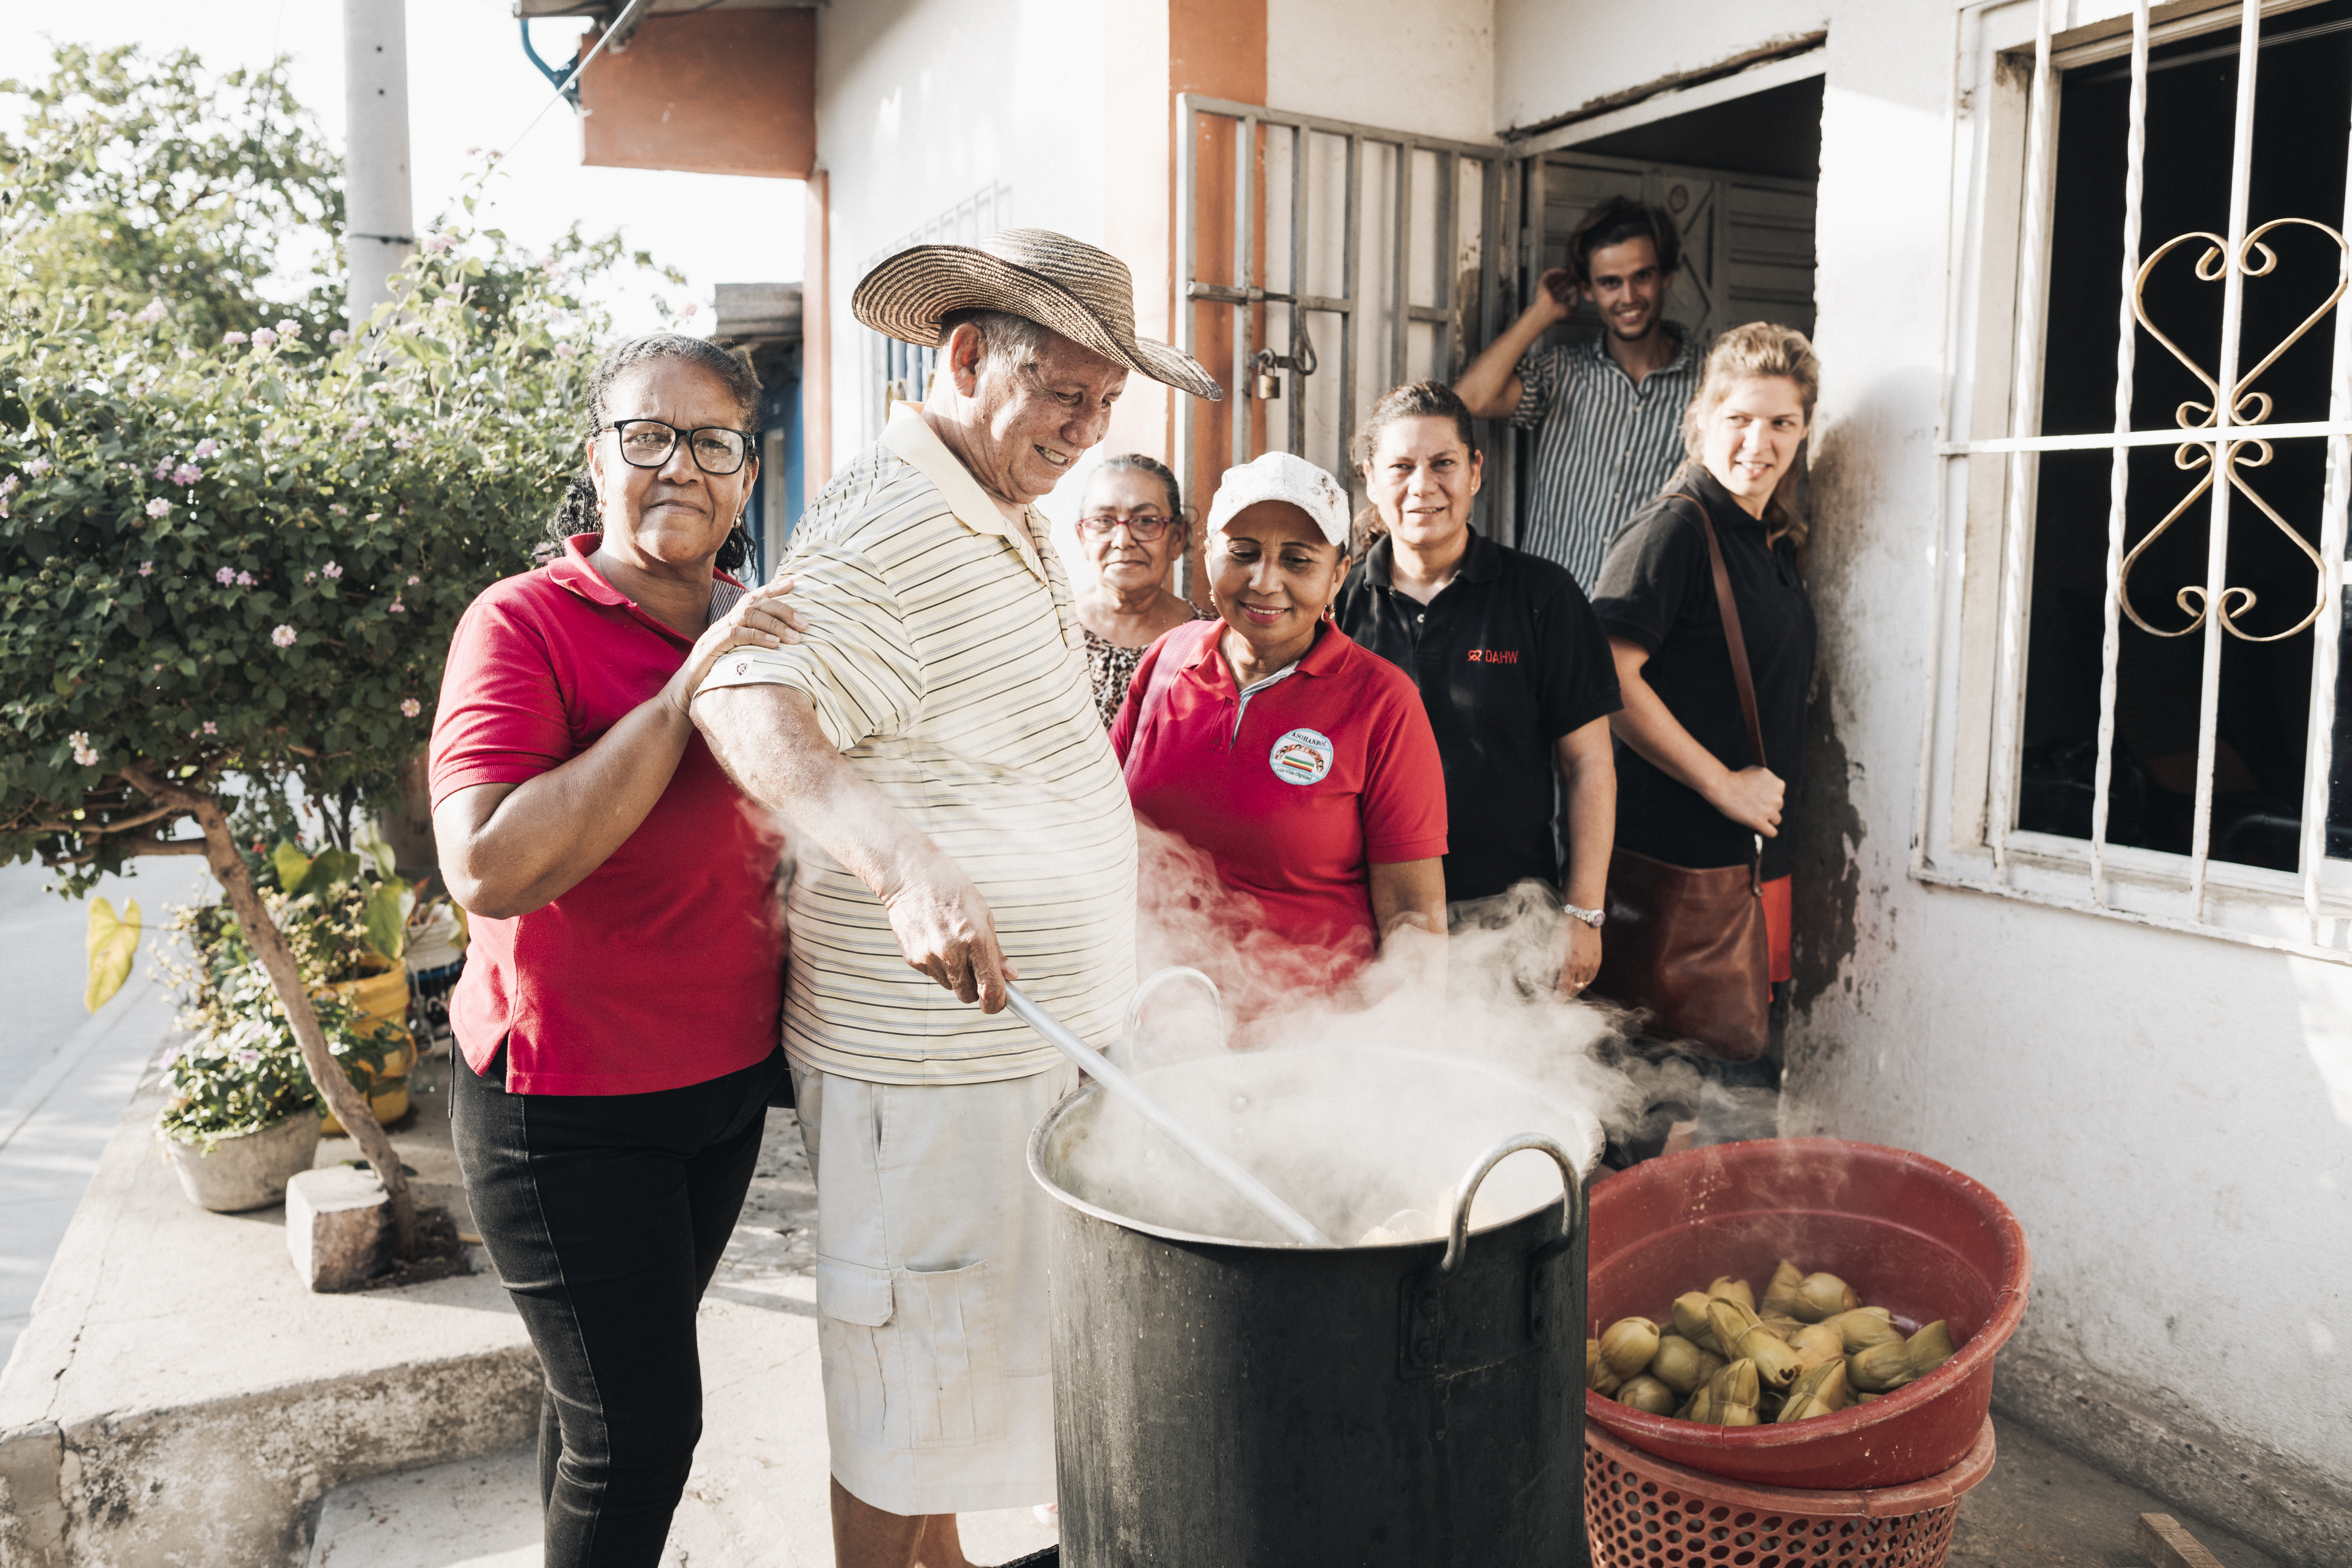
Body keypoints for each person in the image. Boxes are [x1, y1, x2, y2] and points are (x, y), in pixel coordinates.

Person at [689, 229, 1222, 1568]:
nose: (1084, 426)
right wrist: (900, 861)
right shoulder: (889, 520)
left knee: (948, 1387)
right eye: (1063, 393)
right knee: (899, 1396)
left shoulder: (994, 510)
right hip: (919, 1072)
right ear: (968, 354)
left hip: (1008, 1050)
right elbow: (743, 696)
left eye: (1104, 404)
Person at [430, 334, 807, 1567]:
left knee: (591, 1405)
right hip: (567, 1110)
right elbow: (488, 863)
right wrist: (686, 688)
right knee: (643, 1434)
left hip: (721, 1094)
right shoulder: (522, 624)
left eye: (713, 444)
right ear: (599, 460)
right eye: (648, 437)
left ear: (748, 478)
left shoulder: (764, 630)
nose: (680, 468)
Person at [1589, 321, 1819, 1112]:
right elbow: (1606, 677)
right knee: (1655, 1114)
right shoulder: (1674, 529)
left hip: (1749, 875)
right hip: (1677, 876)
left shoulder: (1766, 539)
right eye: (1739, 419)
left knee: (1737, 1102)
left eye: (1780, 423)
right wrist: (1721, 785)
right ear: (1701, 421)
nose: (1757, 441)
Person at [1113, 450, 1448, 983]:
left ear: (1339, 574)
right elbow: (1102, 827)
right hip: (1149, 1013)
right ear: (1206, 553)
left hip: (1308, 1038)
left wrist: (1409, 1053)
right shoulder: (1165, 660)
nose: (1265, 582)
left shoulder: (1383, 701)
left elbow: (1413, 916)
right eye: (1243, 552)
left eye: (1298, 560)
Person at [1333, 382, 1621, 994]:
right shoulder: (1336, 605)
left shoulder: (1542, 596)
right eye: (1402, 467)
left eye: (1443, 464)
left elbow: (1589, 763)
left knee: (1506, 1088)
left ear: (1475, 471)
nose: (1423, 485)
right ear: (1370, 478)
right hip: (1367, 915)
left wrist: (1582, 912)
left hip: (1510, 920)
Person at [1455, 195, 1701, 590]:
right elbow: (1470, 401)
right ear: (1587, 288)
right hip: (1549, 613)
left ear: (1666, 276)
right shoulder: (1562, 372)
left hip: (1647, 621)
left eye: (1642, 276)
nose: (1628, 297)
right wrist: (1543, 312)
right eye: (1609, 283)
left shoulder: (1710, 384)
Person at [1072, 453, 1209, 726]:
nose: (1123, 541)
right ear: (1082, 537)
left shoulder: (1209, 646)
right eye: (1104, 521)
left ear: (1177, 537)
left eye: (1146, 521)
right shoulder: (1049, 630)